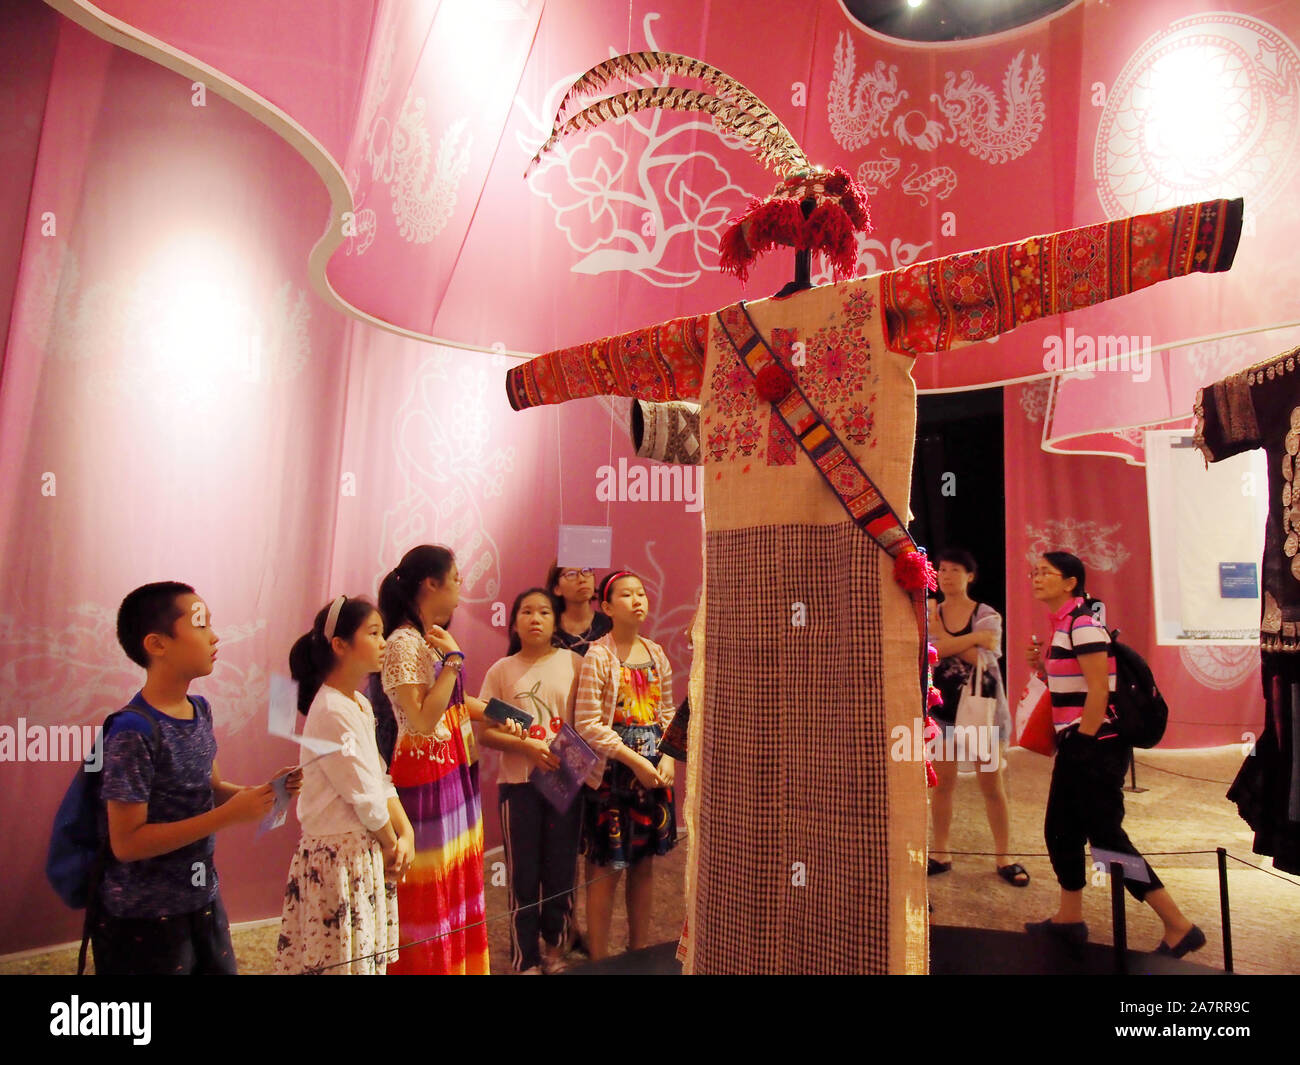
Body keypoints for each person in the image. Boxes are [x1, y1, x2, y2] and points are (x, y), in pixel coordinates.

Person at [95, 581, 299, 975]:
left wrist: (262, 794)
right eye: (201, 625)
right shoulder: (131, 732)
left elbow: (210, 789)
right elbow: (127, 842)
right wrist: (227, 817)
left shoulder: (200, 710)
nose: (215, 636)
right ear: (157, 644)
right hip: (145, 917)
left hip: (202, 899)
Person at [1024, 552, 1204, 956]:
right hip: (1081, 743)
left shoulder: (1083, 625)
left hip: (1095, 745)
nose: (1036, 578)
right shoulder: (1065, 624)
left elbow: (1100, 690)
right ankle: (1068, 920)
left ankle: (1178, 924)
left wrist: (1083, 745)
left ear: (1070, 582)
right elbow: (1075, 687)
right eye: (1034, 572)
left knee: (1107, 840)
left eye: (1045, 573)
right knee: (1062, 831)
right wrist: (1042, 668)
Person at [378, 544, 521, 974]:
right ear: (431, 583)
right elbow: (422, 719)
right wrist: (455, 662)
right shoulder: (404, 642)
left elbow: (455, 704)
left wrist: (512, 715)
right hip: (424, 774)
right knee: (431, 893)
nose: (461, 588)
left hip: (452, 767)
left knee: (457, 882)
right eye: (456, 579)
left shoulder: (431, 638)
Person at [276, 596, 411, 975]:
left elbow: (378, 776)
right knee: (340, 963)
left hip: (361, 853)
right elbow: (363, 796)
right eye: (373, 633)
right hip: (339, 860)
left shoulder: (359, 704)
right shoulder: (333, 710)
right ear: (340, 645)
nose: (384, 642)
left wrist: (406, 832)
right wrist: (392, 842)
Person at [479, 588, 584, 974]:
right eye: (526, 611)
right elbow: (486, 733)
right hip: (518, 786)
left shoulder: (574, 663)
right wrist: (527, 747)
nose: (535, 618)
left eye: (543, 611)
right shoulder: (501, 671)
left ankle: (556, 950)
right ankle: (525, 959)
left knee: (561, 872)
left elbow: (586, 723)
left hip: (565, 783)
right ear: (514, 621)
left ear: (555, 621)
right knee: (523, 876)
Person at [574, 570, 677, 961]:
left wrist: (668, 756)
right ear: (607, 607)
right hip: (613, 774)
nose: (637, 600)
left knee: (644, 864)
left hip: (652, 775)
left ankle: (639, 953)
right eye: (626, 594)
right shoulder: (599, 656)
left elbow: (667, 712)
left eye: (641, 592)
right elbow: (588, 724)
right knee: (605, 868)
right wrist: (633, 760)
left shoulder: (657, 653)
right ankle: (599, 962)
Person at [926, 549, 1026, 886]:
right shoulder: (929, 611)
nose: (946, 575)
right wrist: (970, 640)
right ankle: (940, 852)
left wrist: (943, 639)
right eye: (941, 569)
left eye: (955, 570)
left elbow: (979, 651)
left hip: (983, 710)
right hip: (941, 712)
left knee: (992, 785)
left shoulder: (987, 614)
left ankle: (1004, 856)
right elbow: (930, 650)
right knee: (942, 786)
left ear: (970, 576)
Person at [546, 562, 611, 655]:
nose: (582, 579)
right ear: (557, 589)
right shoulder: (548, 628)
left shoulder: (609, 625)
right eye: (571, 574)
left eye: (586, 571)